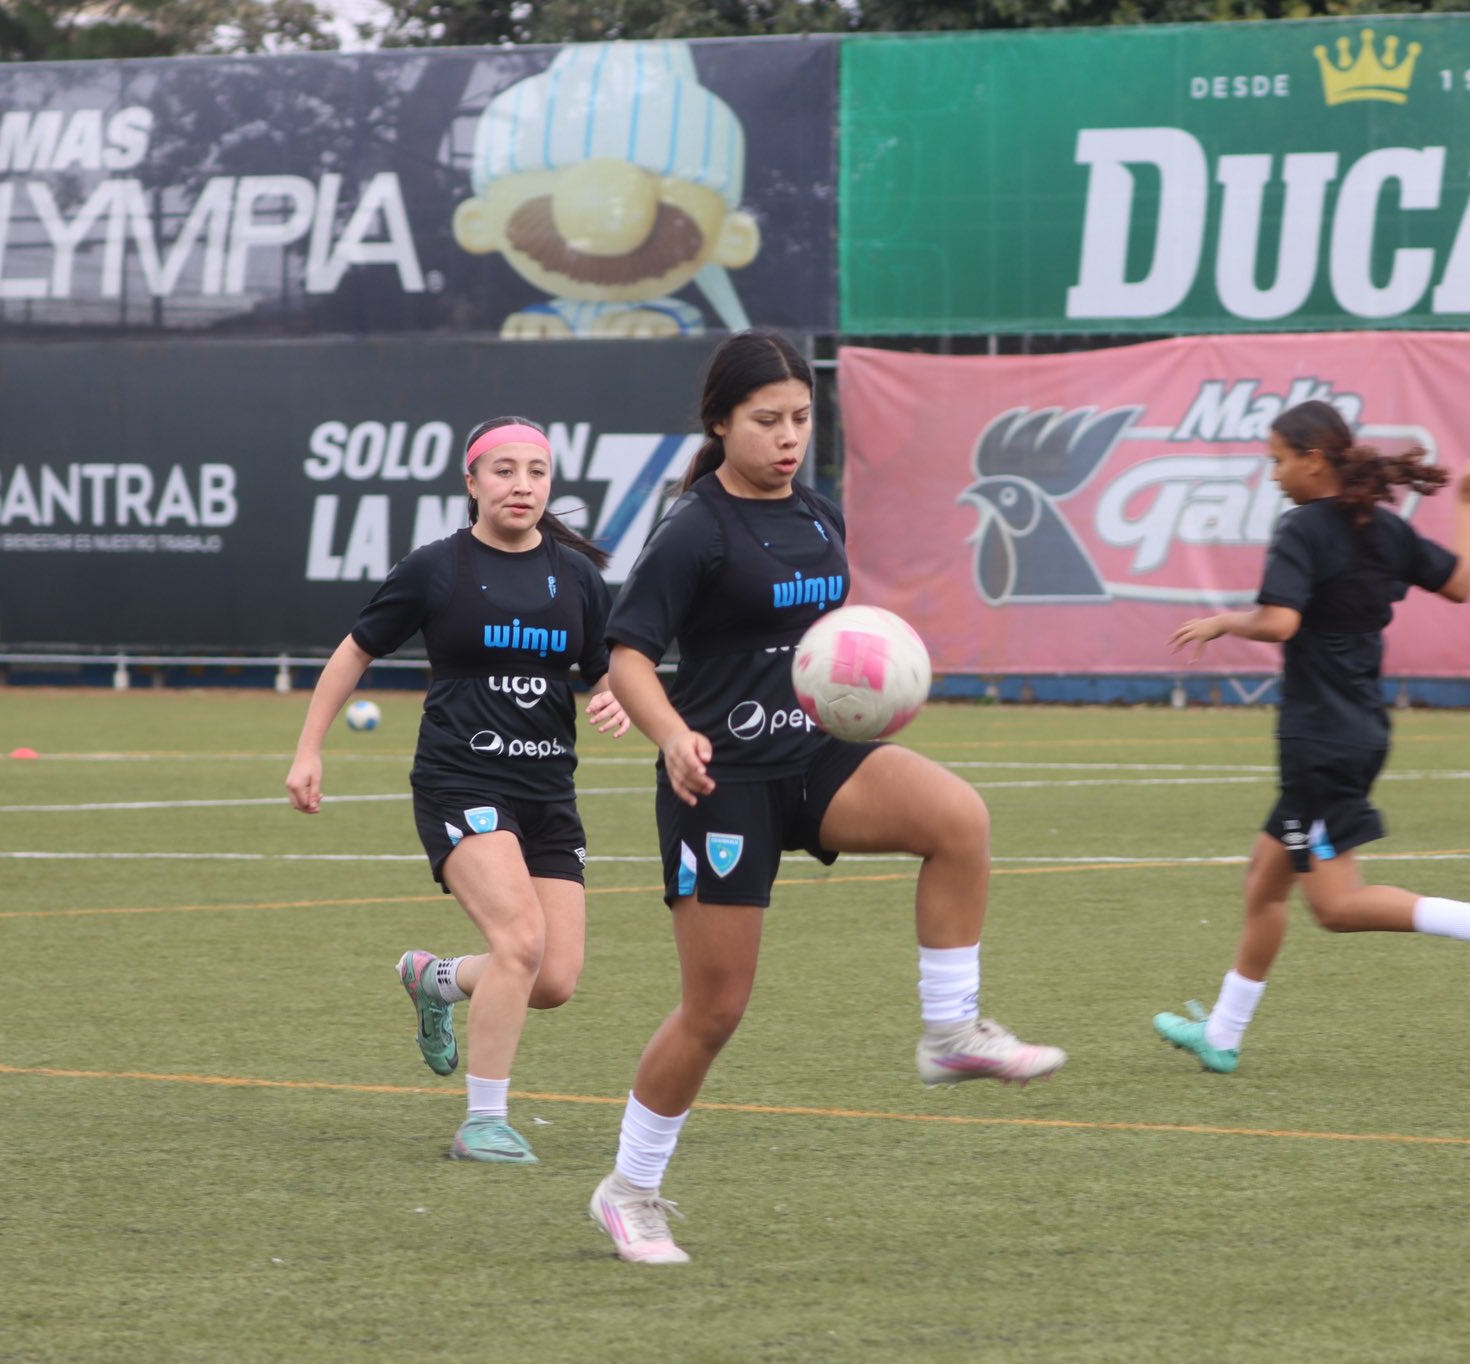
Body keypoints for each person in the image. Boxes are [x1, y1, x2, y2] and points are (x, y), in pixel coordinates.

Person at [586, 331, 1065, 1266]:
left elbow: (818, 634)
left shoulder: (818, 513)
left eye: (802, 417)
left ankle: (951, 1029)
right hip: (721, 783)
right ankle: (629, 1190)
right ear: (720, 424)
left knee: (958, 820)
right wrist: (671, 732)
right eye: (766, 421)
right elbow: (630, 654)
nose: (788, 436)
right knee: (715, 1009)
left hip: (819, 756)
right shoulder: (694, 527)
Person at [285, 417, 630, 1166]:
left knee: (554, 979)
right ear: (471, 482)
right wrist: (309, 749)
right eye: (504, 470)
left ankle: (435, 980)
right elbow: (355, 652)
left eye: (536, 472)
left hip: (548, 790)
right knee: (521, 941)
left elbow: (607, 671)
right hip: (460, 779)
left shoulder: (575, 578)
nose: (522, 485)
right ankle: (482, 1123)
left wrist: (615, 697)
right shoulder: (436, 567)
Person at [1153, 401, 1470, 1076]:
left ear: (1313, 461)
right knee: (1264, 886)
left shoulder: (1302, 528)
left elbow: (1282, 623)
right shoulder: (1380, 528)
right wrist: (1467, 503)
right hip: (1356, 731)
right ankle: (1224, 1037)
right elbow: (1462, 585)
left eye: (1277, 460)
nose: (1273, 474)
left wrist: (1225, 621)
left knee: (1334, 904)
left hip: (1320, 741)